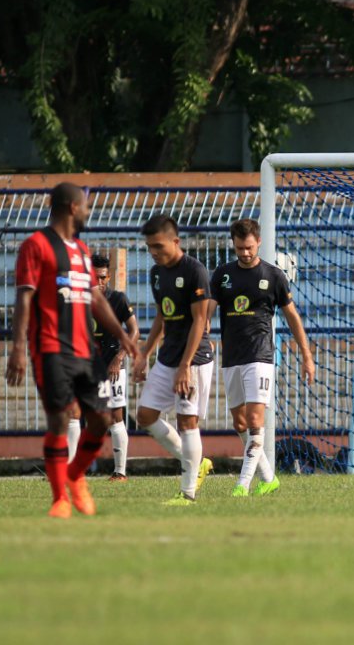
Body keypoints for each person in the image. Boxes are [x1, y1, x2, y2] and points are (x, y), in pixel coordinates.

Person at [5, 183, 138, 518]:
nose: (88, 212)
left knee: (103, 418)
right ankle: (59, 499)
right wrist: (18, 348)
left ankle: (75, 475)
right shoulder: (35, 246)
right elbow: (24, 297)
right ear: (71, 207)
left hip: (85, 350)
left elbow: (93, 298)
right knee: (60, 420)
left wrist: (122, 335)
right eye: (86, 206)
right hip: (50, 347)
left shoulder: (80, 250)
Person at [208, 219, 315, 497]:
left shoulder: (274, 275)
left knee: (255, 421)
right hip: (231, 357)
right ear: (233, 244)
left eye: (250, 247)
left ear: (259, 243)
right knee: (240, 424)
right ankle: (269, 478)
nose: (245, 253)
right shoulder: (222, 275)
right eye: (240, 248)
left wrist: (306, 355)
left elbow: (292, 316)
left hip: (261, 357)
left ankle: (242, 485)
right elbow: (206, 313)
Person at [131, 214, 214, 505]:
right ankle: (197, 462)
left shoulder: (195, 271)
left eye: (159, 246)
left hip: (194, 359)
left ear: (175, 241)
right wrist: (144, 353)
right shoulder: (156, 273)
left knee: (187, 421)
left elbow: (200, 321)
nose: (154, 252)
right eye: (150, 247)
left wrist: (185, 367)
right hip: (167, 358)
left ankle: (187, 493)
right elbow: (162, 316)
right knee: (145, 416)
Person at [91, 253, 140, 481]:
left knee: (115, 416)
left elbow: (134, 331)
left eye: (102, 277)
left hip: (111, 365)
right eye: (94, 277)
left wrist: (119, 358)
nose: (98, 282)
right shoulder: (79, 300)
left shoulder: (118, 299)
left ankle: (120, 472)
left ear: (108, 277)